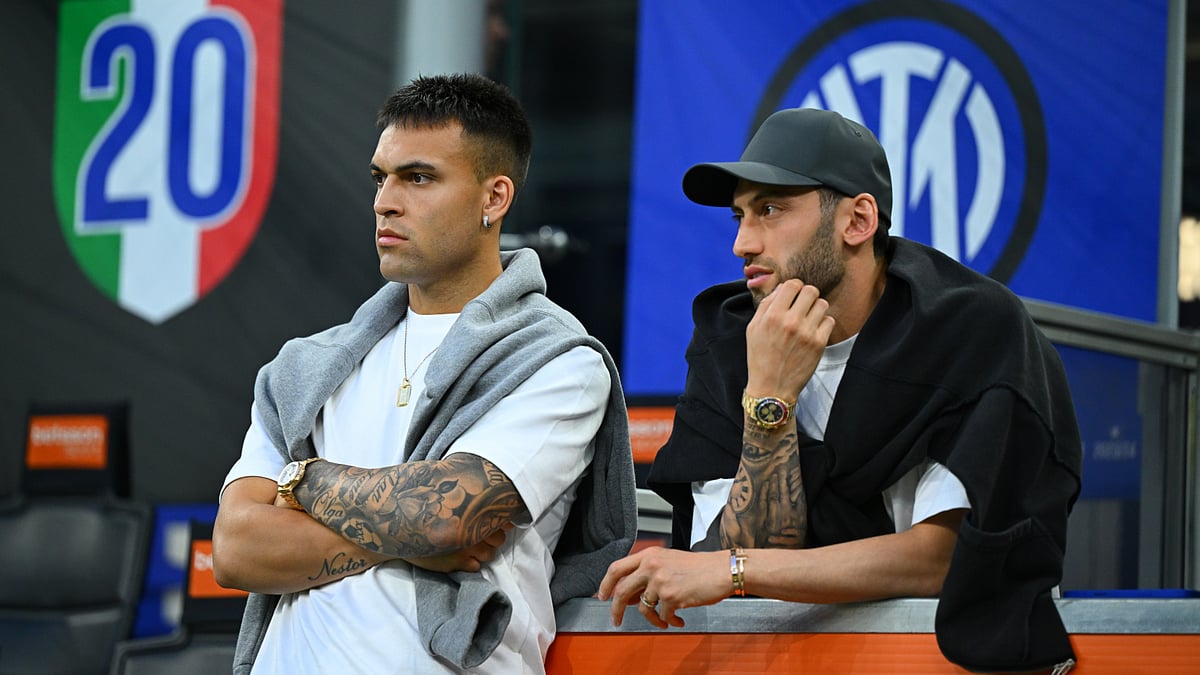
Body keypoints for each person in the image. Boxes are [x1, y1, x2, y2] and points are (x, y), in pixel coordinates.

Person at [597, 108, 1082, 673]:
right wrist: (769, 400)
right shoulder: (729, 342)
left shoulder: (970, 330)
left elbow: (943, 560)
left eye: (770, 210)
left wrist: (734, 570)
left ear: (857, 220)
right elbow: (742, 557)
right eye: (739, 216)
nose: (742, 243)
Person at [213, 73, 636, 674]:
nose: (385, 201)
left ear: (495, 198)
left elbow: (444, 518)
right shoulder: (306, 367)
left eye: (418, 177)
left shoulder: (556, 361)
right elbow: (234, 550)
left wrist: (300, 479)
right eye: (379, 177)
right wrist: (404, 538)